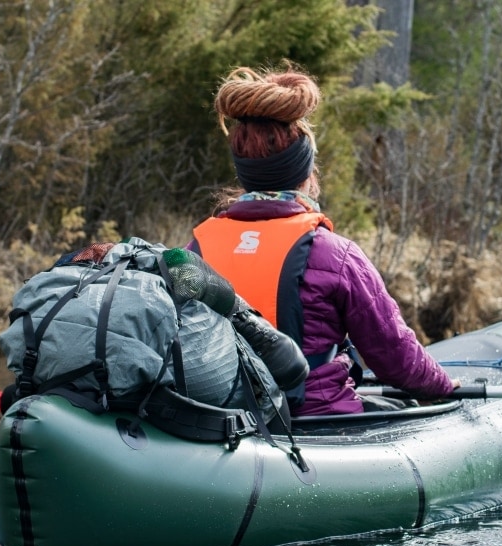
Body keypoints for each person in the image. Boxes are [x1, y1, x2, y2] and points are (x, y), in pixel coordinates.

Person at [189, 64, 459, 416]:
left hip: (225, 420)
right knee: (399, 401)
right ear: (305, 172)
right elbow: (394, 355)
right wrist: (441, 385)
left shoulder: (196, 250)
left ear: (244, 173)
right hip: (318, 421)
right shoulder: (334, 254)